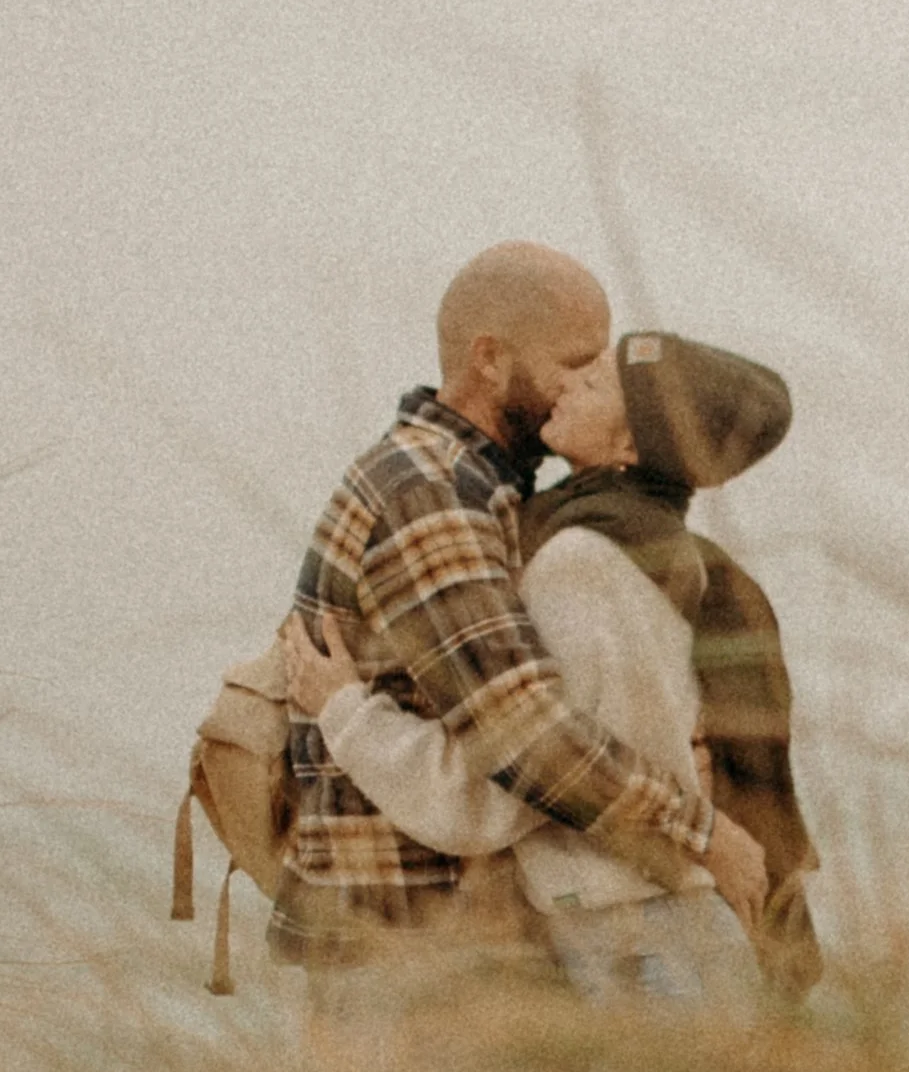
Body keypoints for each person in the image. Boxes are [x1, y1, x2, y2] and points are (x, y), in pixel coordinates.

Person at [269, 244, 768, 977]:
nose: (592, 381)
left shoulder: (495, 494)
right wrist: (707, 832)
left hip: (442, 944)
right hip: (404, 950)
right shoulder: (432, 494)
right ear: (491, 360)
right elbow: (529, 738)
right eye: (576, 360)